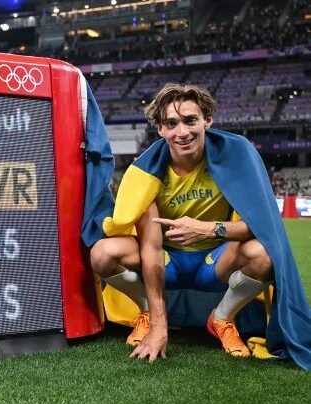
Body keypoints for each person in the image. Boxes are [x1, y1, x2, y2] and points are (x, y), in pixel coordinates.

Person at [90, 83, 285, 362]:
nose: (182, 132)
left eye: (190, 120)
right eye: (171, 123)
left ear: (207, 120)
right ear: (160, 129)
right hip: (166, 259)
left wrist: (207, 228)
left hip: (216, 259)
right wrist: (159, 325)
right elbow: (151, 248)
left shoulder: (234, 160)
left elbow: (262, 228)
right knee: (102, 253)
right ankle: (145, 311)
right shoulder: (146, 175)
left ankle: (222, 318)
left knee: (265, 254)